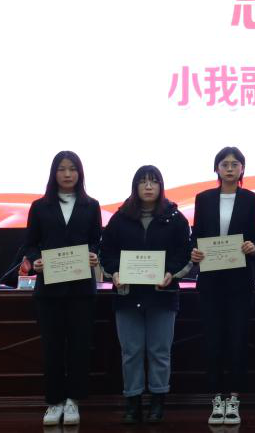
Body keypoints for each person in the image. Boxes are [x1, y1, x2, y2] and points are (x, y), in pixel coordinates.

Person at [100, 165, 192, 424]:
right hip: (127, 296)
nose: (148, 186)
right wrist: (114, 273)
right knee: (131, 351)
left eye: (154, 181)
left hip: (162, 295)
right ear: (135, 186)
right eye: (143, 182)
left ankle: (158, 401)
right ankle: (133, 402)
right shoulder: (120, 218)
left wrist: (171, 274)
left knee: (159, 351)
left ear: (161, 186)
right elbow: (106, 253)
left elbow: (185, 254)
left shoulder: (175, 218)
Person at [23, 151, 103, 427]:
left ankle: (73, 401)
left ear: (80, 173)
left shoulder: (91, 205)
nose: (68, 174)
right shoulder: (40, 206)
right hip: (49, 290)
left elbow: (97, 241)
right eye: (62, 169)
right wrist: (36, 260)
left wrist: (94, 254)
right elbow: (30, 243)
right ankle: (54, 401)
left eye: (72, 169)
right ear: (53, 173)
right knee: (52, 346)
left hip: (81, 290)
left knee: (79, 346)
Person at [189, 147, 255, 425]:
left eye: (235, 164)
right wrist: (195, 251)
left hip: (240, 281)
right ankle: (216, 398)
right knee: (213, 339)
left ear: (242, 169)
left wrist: (254, 246)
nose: (230, 169)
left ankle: (234, 398)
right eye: (224, 164)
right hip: (210, 281)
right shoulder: (204, 198)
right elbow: (196, 236)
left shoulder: (252, 200)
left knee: (237, 339)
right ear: (216, 168)